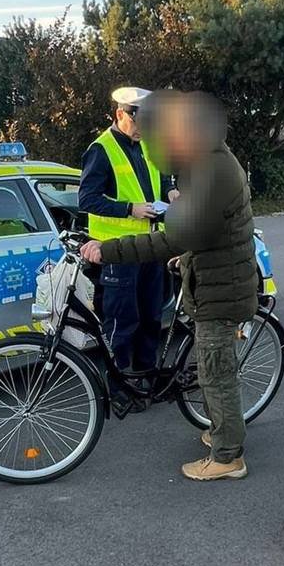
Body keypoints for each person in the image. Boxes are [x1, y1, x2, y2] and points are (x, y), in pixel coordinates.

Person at [80, 91, 257, 481]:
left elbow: (174, 237)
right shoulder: (211, 161)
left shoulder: (214, 171)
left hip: (220, 291)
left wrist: (108, 251)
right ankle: (221, 431)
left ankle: (229, 457)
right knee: (192, 357)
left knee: (215, 372)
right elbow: (207, 232)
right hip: (213, 277)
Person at [78, 87, 176, 392]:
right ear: (121, 114)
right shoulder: (101, 149)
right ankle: (119, 387)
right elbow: (87, 199)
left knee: (150, 316)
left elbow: (162, 179)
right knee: (122, 322)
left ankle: (146, 376)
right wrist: (129, 209)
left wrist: (171, 192)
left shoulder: (147, 143)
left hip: (150, 247)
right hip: (117, 254)